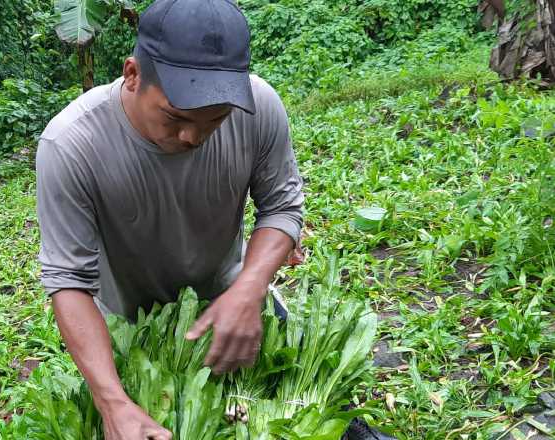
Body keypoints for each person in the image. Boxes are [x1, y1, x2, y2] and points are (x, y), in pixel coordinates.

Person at [36, 0, 393, 439]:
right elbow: (68, 279)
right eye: (176, 117)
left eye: (215, 120)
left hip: (235, 301)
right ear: (132, 75)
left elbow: (281, 207)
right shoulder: (71, 144)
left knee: (308, 417)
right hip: (132, 329)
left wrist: (249, 287)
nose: (192, 136)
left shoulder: (258, 107)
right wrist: (111, 401)